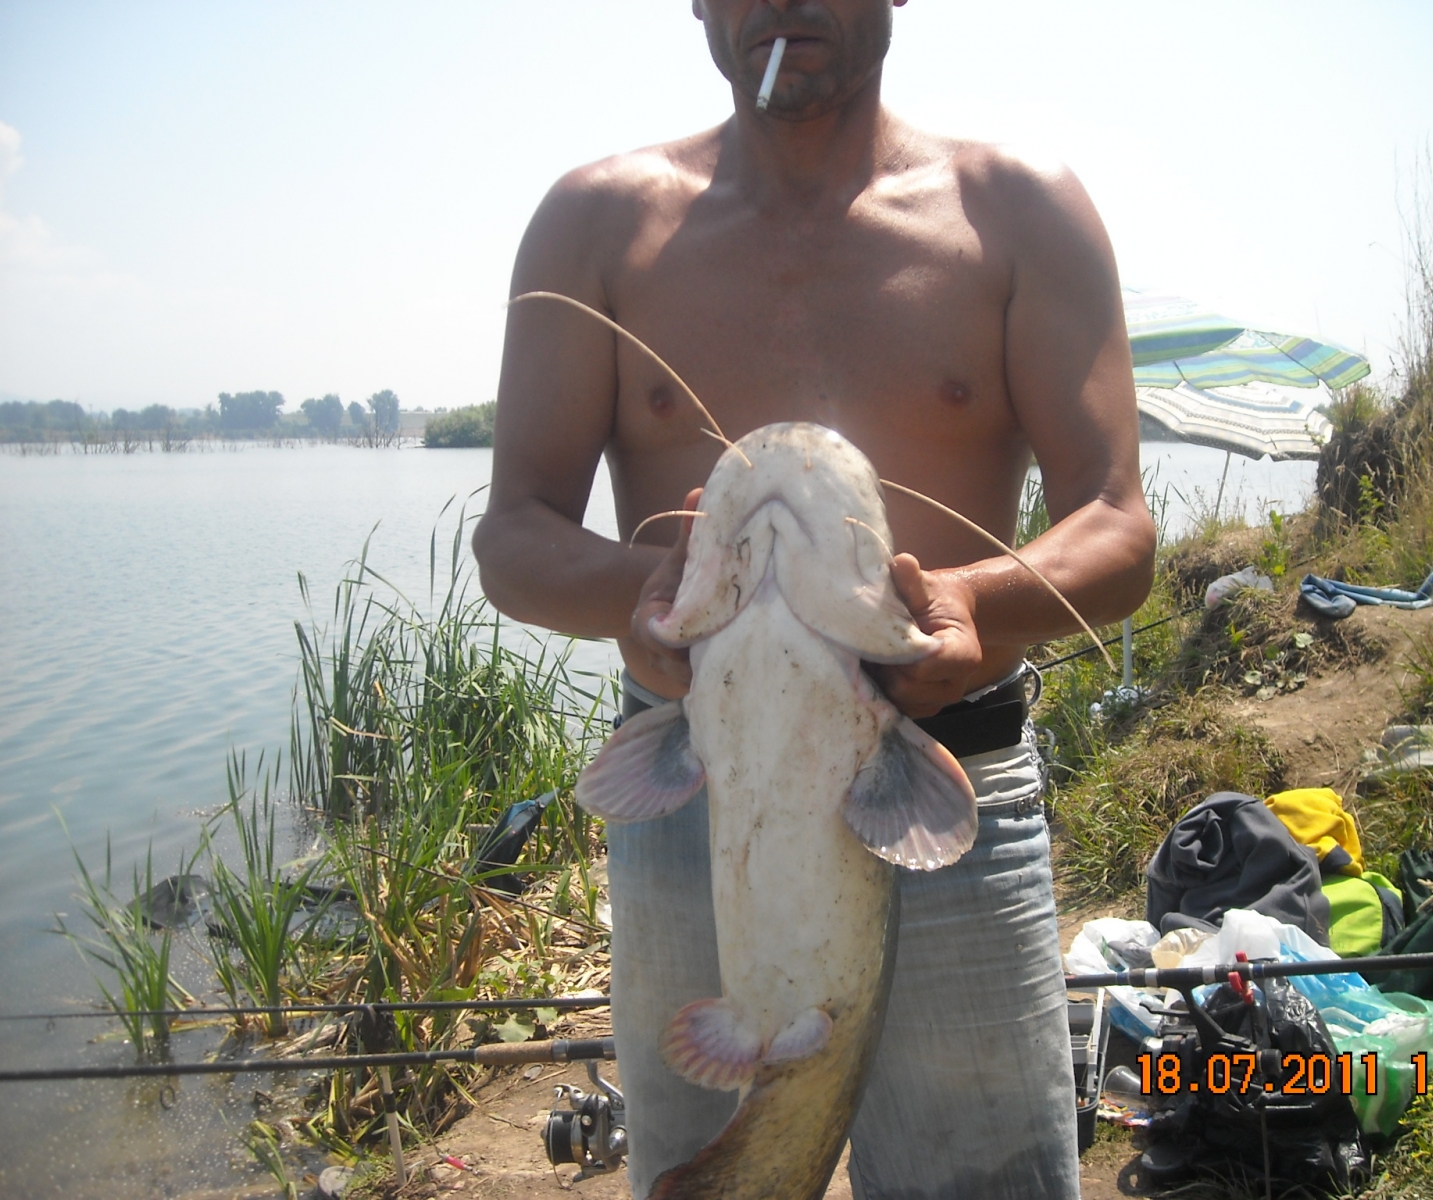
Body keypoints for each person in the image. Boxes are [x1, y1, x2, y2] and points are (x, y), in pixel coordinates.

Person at [473, 2, 1155, 1195]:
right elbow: (513, 535)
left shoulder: (1019, 210)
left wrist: (970, 602)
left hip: (944, 788)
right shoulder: (596, 225)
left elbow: (1117, 522)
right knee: (722, 1173)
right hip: (694, 797)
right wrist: (645, 595)